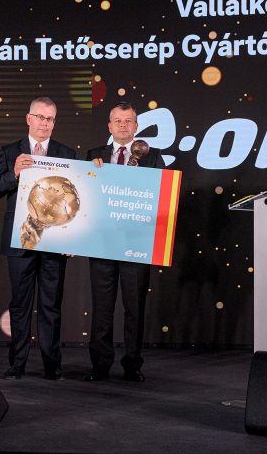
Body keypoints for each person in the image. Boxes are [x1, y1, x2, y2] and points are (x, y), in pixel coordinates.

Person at [0, 97, 76, 380]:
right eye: (39, 117)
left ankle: (52, 367)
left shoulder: (66, 153)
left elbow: (77, 197)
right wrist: (13, 173)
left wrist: (73, 238)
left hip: (55, 242)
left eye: (50, 119)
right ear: (29, 119)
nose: (44, 123)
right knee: (20, 305)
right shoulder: (10, 151)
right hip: (20, 241)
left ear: (54, 123)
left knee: (51, 306)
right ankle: (17, 365)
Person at [84, 102, 164, 382]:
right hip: (102, 243)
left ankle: (133, 365)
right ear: (109, 126)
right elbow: (84, 194)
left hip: (136, 244)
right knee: (102, 307)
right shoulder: (94, 156)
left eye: (128, 120)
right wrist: (90, 173)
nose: (122, 125)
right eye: (117, 120)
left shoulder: (153, 156)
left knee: (134, 308)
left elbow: (162, 195)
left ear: (136, 126)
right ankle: (100, 365)